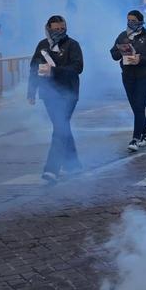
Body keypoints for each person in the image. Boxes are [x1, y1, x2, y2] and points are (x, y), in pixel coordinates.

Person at [28, 15, 83, 182]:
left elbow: (78, 67)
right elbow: (33, 67)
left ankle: (52, 169)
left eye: (62, 28)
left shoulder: (72, 45)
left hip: (68, 93)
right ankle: (74, 164)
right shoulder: (42, 45)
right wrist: (31, 91)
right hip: (49, 94)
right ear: (48, 28)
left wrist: (55, 71)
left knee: (59, 129)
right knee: (62, 127)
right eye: (56, 29)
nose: (60, 31)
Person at [111, 10, 146, 152]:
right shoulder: (123, 35)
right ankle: (145, 132)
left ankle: (135, 138)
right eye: (128, 20)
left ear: (140, 21)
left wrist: (141, 58)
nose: (130, 23)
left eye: (133, 20)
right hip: (128, 75)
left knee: (139, 105)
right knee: (136, 107)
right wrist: (121, 50)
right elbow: (113, 54)